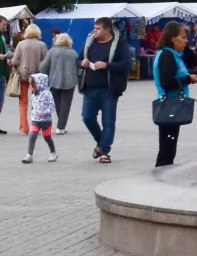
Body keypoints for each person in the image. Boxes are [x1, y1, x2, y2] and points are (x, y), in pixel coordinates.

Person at [79, 17, 133, 163]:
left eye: (98, 29)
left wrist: (107, 65)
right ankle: (101, 142)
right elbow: (78, 59)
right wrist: (82, 62)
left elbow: (127, 63)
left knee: (108, 121)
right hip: (90, 88)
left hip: (109, 89)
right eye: (94, 28)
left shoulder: (119, 43)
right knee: (87, 117)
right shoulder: (90, 41)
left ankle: (105, 152)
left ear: (107, 30)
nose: (94, 31)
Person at [152, 22, 197, 167]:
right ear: (173, 38)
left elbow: (192, 59)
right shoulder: (167, 55)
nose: (186, 41)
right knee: (167, 148)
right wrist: (188, 79)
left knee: (170, 146)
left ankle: (163, 176)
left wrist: (184, 46)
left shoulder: (175, 54)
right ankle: (160, 178)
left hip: (173, 104)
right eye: (183, 37)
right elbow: (166, 82)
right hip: (169, 104)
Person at [9, 24, 47, 135]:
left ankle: (24, 128)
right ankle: (37, 126)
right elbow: (46, 62)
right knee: (38, 102)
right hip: (37, 76)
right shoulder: (42, 45)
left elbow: (15, 61)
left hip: (23, 75)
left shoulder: (21, 44)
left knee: (23, 102)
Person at [43, 33, 80, 132]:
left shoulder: (51, 52)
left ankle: (61, 125)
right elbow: (79, 68)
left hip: (54, 81)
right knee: (65, 105)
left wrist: (45, 75)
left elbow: (43, 67)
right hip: (70, 82)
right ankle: (61, 126)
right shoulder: (73, 53)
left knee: (58, 104)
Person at [19, 72, 55, 163]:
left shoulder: (47, 94)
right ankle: (29, 155)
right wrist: (33, 115)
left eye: (33, 84)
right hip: (35, 120)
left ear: (39, 83)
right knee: (32, 136)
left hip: (46, 121)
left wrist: (45, 113)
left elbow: (52, 106)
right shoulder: (33, 95)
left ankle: (53, 152)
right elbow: (33, 107)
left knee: (47, 137)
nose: (31, 86)